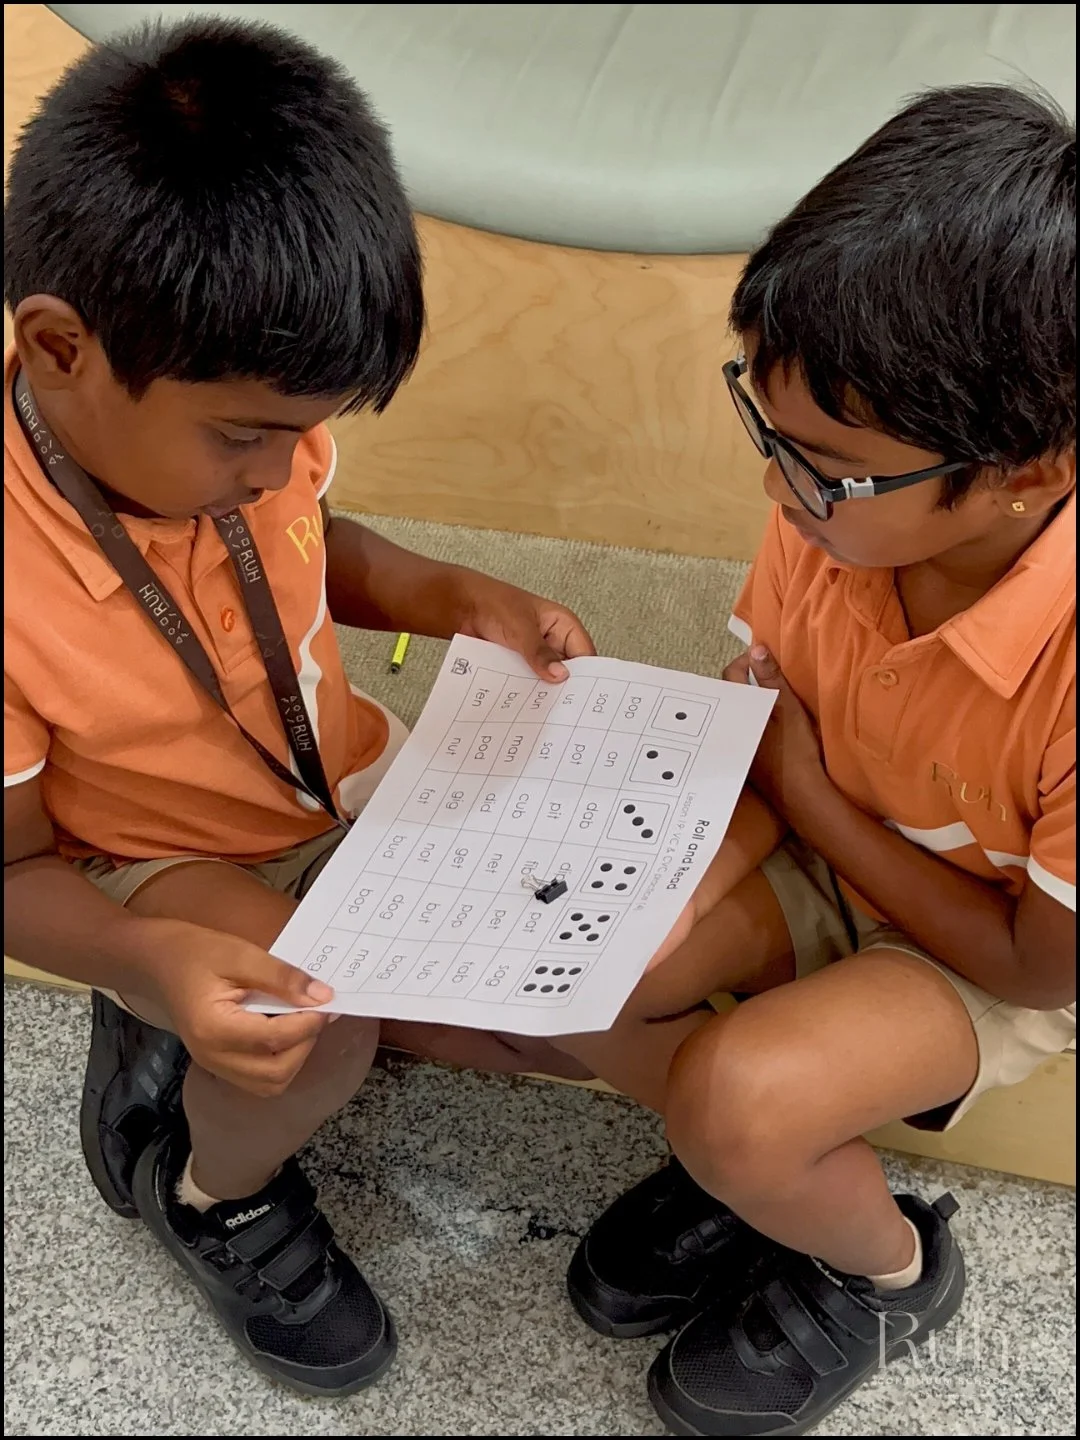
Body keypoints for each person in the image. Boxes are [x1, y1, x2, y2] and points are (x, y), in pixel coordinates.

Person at [3, 16, 600, 1397]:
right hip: (154, 856)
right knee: (318, 1031)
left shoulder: (240, 417)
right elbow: (15, 874)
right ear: (59, 346)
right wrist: (148, 959)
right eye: (244, 436)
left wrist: (451, 594)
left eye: (302, 432)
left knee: (569, 943)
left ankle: (185, 1013)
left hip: (337, 772)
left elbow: (310, 542)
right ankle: (214, 1193)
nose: (280, 469)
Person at [564, 83, 1076, 1436]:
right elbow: (766, 719)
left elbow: (1037, 965)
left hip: (995, 942)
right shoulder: (839, 515)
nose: (779, 492)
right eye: (771, 435)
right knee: (579, 962)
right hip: (834, 828)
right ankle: (761, 1170)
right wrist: (675, 866)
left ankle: (884, 1268)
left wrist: (804, 794)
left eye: (829, 468)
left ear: (1025, 471)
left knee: (738, 1098)